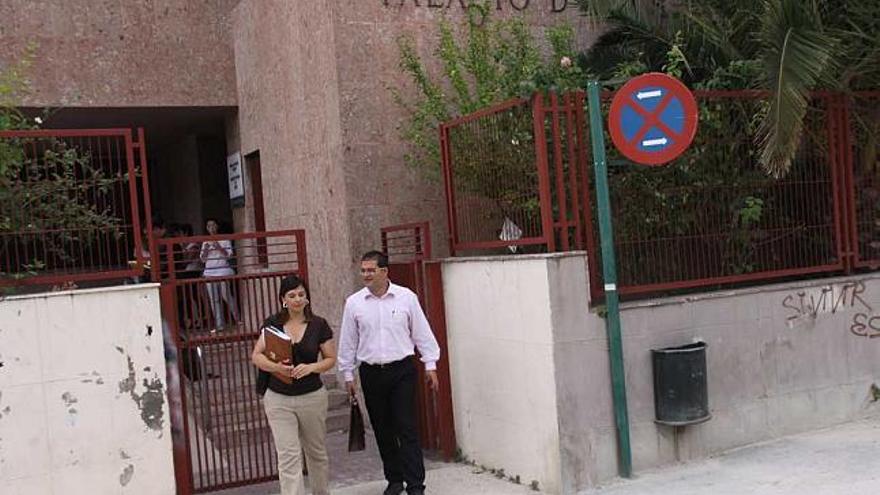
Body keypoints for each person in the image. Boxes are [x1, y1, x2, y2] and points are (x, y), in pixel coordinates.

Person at [338, 251, 440, 495]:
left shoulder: (406, 298)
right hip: (371, 373)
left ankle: (416, 484)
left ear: (385, 271)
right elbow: (348, 342)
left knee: (406, 427)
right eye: (363, 270)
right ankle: (394, 479)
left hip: (402, 371)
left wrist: (430, 365)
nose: (366, 275)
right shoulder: (354, 303)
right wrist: (348, 374)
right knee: (383, 429)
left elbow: (421, 333)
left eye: (371, 270)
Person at [251, 275, 335, 495]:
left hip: (312, 397)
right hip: (278, 398)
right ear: (283, 299)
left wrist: (311, 368)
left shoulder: (319, 325)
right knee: (288, 455)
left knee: (316, 452)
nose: (297, 299)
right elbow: (257, 356)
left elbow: (330, 359)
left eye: (301, 294)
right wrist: (276, 368)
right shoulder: (272, 325)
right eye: (292, 295)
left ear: (307, 298)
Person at [200, 218, 240, 330]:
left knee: (225, 295)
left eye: (213, 225)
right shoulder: (205, 242)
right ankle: (219, 324)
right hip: (209, 272)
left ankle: (237, 318)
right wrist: (207, 249)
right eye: (209, 226)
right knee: (214, 299)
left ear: (217, 227)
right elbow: (202, 259)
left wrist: (218, 247)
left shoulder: (224, 240)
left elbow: (229, 255)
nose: (211, 228)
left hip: (222, 270)